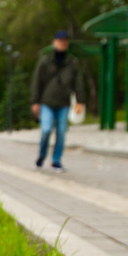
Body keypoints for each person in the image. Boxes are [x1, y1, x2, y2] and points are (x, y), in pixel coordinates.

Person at [30, 30, 85, 172]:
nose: (63, 43)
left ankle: (56, 161)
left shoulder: (72, 62)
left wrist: (80, 101)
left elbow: (78, 83)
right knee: (46, 130)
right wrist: (35, 101)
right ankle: (42, 155)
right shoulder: (45, 61)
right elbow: (37, 82)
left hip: (64, 103)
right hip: (46, 102)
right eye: (60, 41)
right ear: (54, 42)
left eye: (65, 41)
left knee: (61, 132)